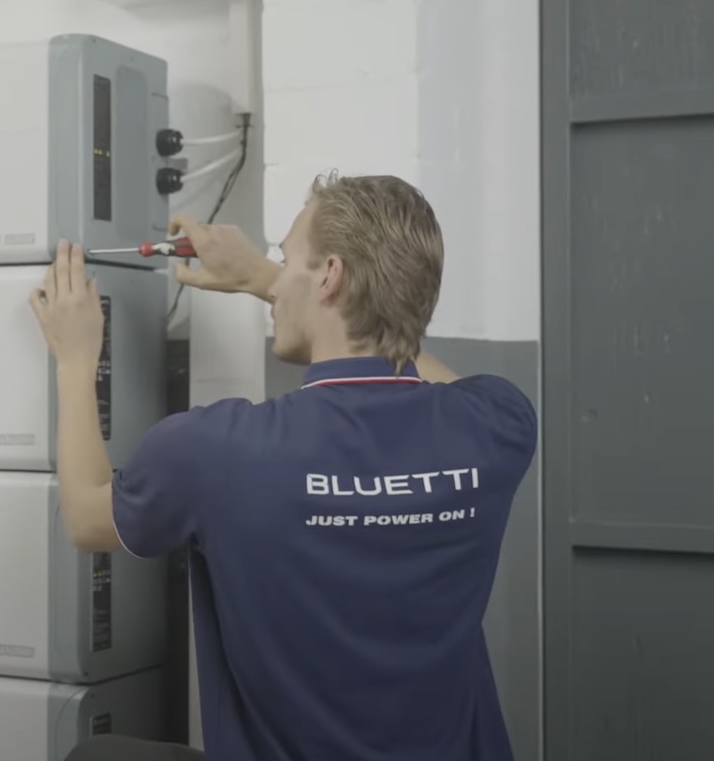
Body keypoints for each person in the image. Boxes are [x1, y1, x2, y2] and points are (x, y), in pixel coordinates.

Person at [29, 173, 538, 761]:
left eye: (287, 259)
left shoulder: (217, 450)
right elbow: (413, 363)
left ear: (330, 276)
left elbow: (86, 516)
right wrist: (274, 281)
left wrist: (76, 360)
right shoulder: (497, 424)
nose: (278, 275)